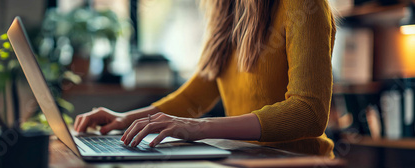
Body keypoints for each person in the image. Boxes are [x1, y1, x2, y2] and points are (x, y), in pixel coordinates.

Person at [74, 0, 337, 157]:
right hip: (244, 159)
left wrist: (199, 128)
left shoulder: (303, 6)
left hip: (295, 161)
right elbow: (194, 96)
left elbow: (309, 112)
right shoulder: (227, 11)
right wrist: (124, 119)